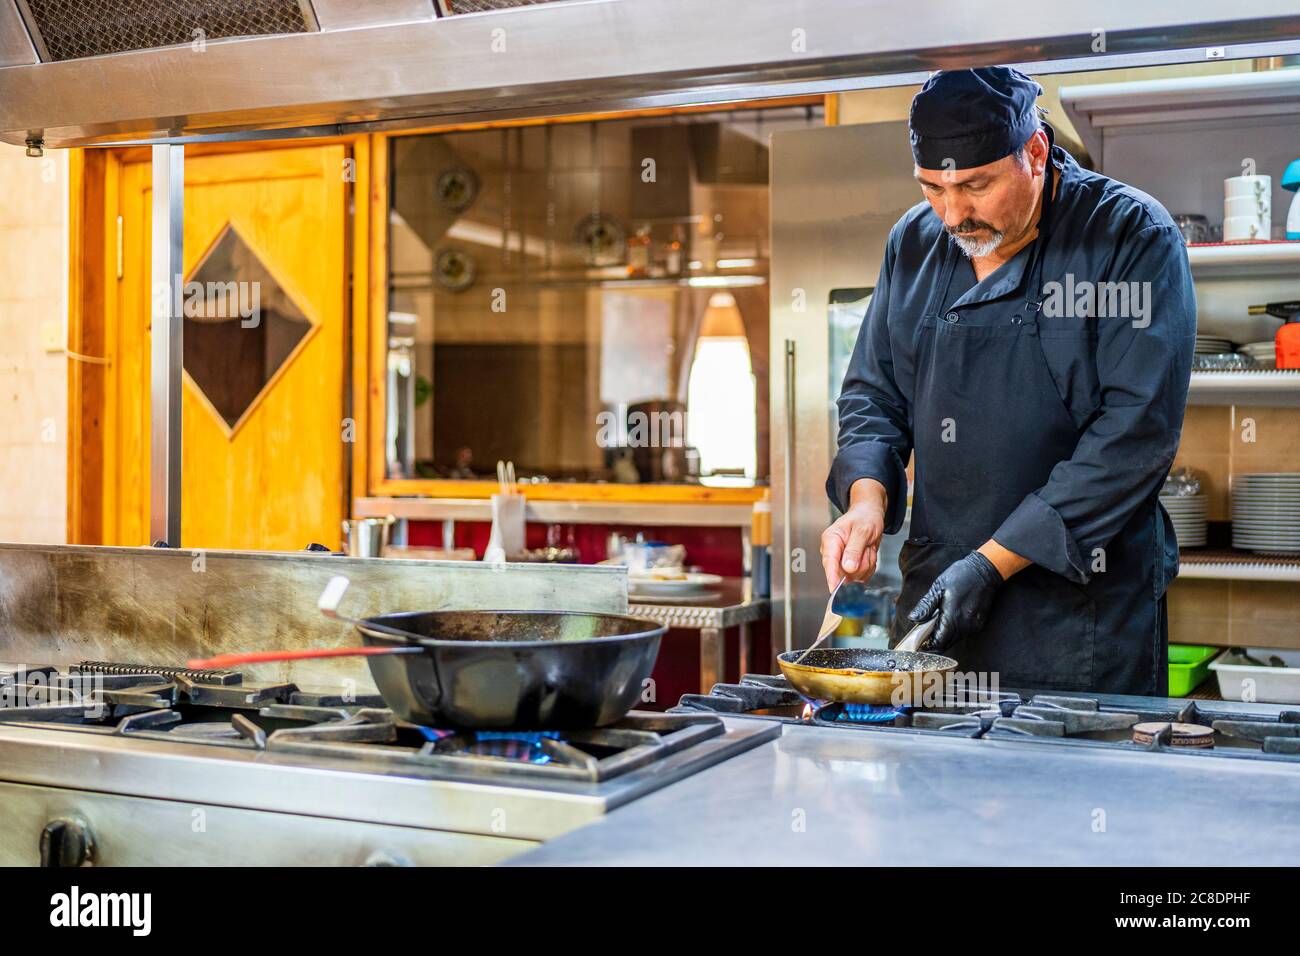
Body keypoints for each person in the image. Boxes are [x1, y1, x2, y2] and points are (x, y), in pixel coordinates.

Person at [821, 67, 1194, 695]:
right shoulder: (912, 243)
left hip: (1079, 610)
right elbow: (874, 394)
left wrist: (993, 565)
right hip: (939, 594)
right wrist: (866, 499)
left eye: (975, 185)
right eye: (933, 189)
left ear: (1036, 153)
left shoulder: (1129, 235)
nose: (953, 214)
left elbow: (1135, 434)